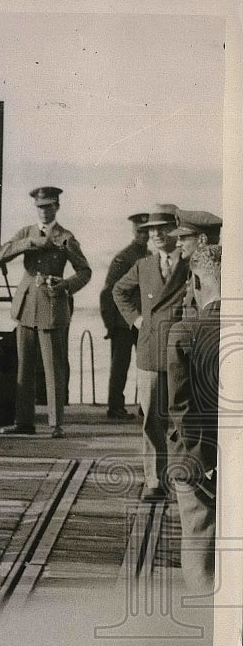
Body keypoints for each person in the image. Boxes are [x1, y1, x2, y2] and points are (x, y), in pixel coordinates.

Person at [0, 186, 92, 438]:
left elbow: (85, 271)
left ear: (57, 207)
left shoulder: (65, 237)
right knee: (24, 366)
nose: (44, 211)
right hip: (26, 306)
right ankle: (24, 422)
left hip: (52, 305)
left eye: (49, 206)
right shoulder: (26, 233)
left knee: (53, 367)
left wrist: (65, 285)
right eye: (40, 207)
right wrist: (29, 243)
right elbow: (1, 254)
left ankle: (55, 424)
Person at [113, 207, 188, 502]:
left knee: (184, 419)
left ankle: (185, 478)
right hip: (150, 350)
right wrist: (136, 319)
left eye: (162, 228)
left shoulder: (190, 262)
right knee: (152, 421)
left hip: (183, 351)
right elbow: (118, 291)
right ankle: (155, 481)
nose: (156, 234)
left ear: (176, 230)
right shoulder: (143, 265)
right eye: (151, 230)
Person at [166, 244, 221, 592]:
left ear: (196, 283)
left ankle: (204, 612)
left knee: (200, 545)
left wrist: (202, 461)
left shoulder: (184, 332)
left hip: (197, 461)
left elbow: (180, 407)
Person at [99, 212, 150, 419]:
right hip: (123, 322)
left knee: (146, 364)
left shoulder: (149, 256)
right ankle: (115, 407)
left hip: (143, 321)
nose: (143, 235)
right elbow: (109, 292)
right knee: (120, 365)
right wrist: (110, 324)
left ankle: (146, 406)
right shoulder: (124, 258)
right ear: (133, 231)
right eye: (140, 231)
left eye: (146, 232)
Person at [172, 209, 222, 313]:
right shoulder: (198, 269)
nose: (177, 244)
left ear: (202, 240)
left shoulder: (213, 273)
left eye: (182, 238)